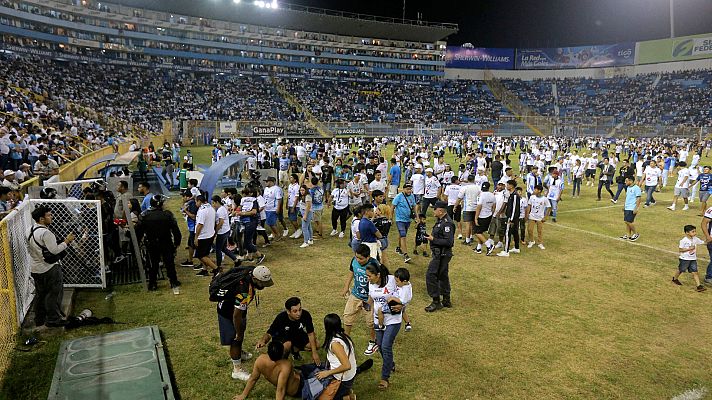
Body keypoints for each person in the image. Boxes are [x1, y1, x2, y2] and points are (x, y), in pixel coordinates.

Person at [217, 265, 274, 381]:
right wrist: (238, 332)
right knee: (236, 339)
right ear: (255, 279)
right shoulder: (243, 291)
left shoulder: (251, 271)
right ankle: (236, 370)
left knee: (240, 333)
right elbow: (236, 315)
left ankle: (239, 354)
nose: (264, 286)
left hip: (236, 310)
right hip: (228, 313)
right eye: (263, 283)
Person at [28, 205, 75, 328]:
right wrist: (67, 241)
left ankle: (39, 319)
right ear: (41, 219)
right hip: (49, 268)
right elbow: (55, 250)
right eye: (48, 215)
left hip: (35, 268)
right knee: (53, 293)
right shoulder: (45, 233)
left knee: (40, 294)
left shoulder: (29, 230)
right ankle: (53, 319)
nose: (51, 217)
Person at [136, 194, 182, 293]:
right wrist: (177, 242)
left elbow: (138, 231)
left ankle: (152, 283)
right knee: (169, 263)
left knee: (153, 264)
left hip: (151, 243)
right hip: (166, 242)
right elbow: (175, 230)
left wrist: (137, 242)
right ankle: (173, 281)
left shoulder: (144, 215)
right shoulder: (167, 215)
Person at [366, 263, 400, 391]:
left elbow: (405, 288)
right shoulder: (371, 283)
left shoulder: (392, 280)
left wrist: (402, 304)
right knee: (379, 346)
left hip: (393, 319)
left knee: (386, 346)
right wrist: (364, 305)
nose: (368, 278)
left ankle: (384, 378)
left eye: (369, 276)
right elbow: (372, 299)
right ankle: (390, 363)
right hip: (377, 320)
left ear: (378, 275)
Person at [255, 297, 320, 364]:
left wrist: (314, 353)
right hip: (283, 338)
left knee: (316, 344)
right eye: (295, 311)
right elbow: (269, 333)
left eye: (300, 309)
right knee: (287, 345)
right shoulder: (281, 318)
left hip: (297, 336)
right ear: (288, 311)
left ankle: (295, 352)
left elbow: (310, 333)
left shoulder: (306, 315)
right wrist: (263, 340)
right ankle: (283, 362)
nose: (299, 313)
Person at [342, 244, 379, 356]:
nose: (358, 260)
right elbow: (351, 272)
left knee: (371, 322)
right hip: (355, 295)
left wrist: (370, 299)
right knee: (347, 316)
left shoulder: (374, 264)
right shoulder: (354, 260)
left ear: (368, 257)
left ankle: (373, 342)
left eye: (361, 258)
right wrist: (346, 287)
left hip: (369, 298)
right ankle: (346, 340)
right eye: (356, 257)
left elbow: (378, 282)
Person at [314, 314, 359, 399]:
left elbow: (347, 366)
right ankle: (346, 392)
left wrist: (327, 373)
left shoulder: (335, 344)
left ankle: (348, 396)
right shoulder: (344, 336)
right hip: (349, 375)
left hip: (343, 379)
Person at [424, 201, 456, 312]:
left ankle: (436, 301)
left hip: (442, 254)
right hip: (439, 253)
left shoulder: (447, 223)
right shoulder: (441, 221)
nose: (433, 211)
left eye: (435, 209)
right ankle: (446, 299)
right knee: (442, 275)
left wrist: (434, 239)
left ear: (440, 211)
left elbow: (449, 242)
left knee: (431, 275)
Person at [376, 267, 413, 332]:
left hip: (395, 304)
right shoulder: (407, 284)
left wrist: (392, 298)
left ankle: (381, 326)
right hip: (402, 304)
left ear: (404, 281)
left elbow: (402, 301)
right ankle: (407, 323)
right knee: (403, 311)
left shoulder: (405, 290)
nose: (395, 283)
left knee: (380, 310)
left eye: (397, 281)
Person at [673, 225, 706, 292]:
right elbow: (680, 250)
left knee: (695, 272)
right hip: (684, 259)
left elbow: (703, 242)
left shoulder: (695, 239)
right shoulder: (683, 240)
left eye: (695, 231)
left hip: (693, 259)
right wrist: (689, 249)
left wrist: (708, 240)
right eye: (693, 232)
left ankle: (699, 286)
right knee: (681, 270)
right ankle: (675, 279)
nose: (695, 233)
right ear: (687, 233)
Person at [194, 195, 220, 277]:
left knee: (200, 255)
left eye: (196, 202)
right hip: (210, 234)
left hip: (203, 236)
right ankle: (205, 270)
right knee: (205, 254)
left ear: (199, 201)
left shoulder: (202, 211)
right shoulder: (211, 208)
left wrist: (196, 237)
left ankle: (216, 269)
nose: (195, 203)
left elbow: (200, 225)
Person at [391, 183, 416, 263]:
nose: (409, 191)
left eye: (410, 189)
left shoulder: (412, 196)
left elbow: (414, 207)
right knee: (403, 236)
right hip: (400, 220)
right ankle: (405, 255)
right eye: (407, 189)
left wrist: (417, 217)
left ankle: (399, 248)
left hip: (407, 220)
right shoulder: (398, 197)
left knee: (402, 235)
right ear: (404, 189)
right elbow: (392, 207)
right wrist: (391, 218)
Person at [212, 195, 237, 269]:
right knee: (223, 248)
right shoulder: (222, 208)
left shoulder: (220, 210)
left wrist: (216, 231)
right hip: (225, 230)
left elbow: (221, 222)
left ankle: (218, 265)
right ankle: (235, 259)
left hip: (222, 232)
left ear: (217, 202)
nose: (213, 205)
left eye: (213, 203)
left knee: (218, 249)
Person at [498, 180, 521, 257]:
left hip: (511, 218)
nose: (506, 186)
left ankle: (506, 251)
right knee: (515, 232)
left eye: (507, 185)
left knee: (507, 233)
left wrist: (510, 219)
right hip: (514, 217)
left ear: (511, 186)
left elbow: (514, 208)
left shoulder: (514, 195)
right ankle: (517, 248)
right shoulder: (512, 195)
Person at [474, 181, 496, 255]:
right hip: (488, 215)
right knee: (481, 232)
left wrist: (476, 218)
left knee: (477, 232)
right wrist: (491, 213)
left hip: (482, 216)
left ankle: (489, 245)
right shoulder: (492, 195)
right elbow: (494, 206)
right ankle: (479, 247)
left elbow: (479, 207)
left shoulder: (481, 195)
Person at [526, 185, 550, 250]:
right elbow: (529, 205)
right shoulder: (532, 197)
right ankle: (531, 241)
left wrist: (545, 217)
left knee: (540, 231)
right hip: (532, 216)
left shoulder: (544, 199)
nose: (534, 191)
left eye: (535, 190)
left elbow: (549, 207)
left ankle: (540, 243)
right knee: (530, 229)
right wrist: (527, 214)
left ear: (539, 191)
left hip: (540, 217)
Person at [262, 177, 284, 242]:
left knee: (271, 223)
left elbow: (279, 199)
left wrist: (278, 208)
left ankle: (278, 234)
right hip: (267, 208)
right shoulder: (266, 189)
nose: (266, 183)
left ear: (271, 182)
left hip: (272, 208)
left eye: (267, 181)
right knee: (269, 223)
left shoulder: (277, 189)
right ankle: (274, 234)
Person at [621, 176, 642, 241]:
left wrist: (636, 208)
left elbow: (639, 198)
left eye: (626, 181)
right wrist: (624, 205)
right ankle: (628, 235)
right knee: (628, 222)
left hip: (632, 207)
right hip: (627, 207)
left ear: (631, 181)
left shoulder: (636, 188)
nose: (625, 182)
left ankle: (636, 233)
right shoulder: (628, 188)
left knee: (628, 221)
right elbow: (627, 197)